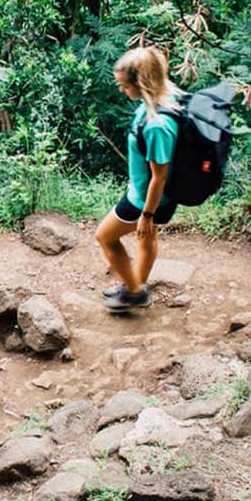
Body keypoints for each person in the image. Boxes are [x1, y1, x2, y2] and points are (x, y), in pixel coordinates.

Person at [96, 46, 185, 311]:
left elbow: (159, 176)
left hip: (144, 198)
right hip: (157, 196)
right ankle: (137, 288)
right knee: (147, 239)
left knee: (105, 237)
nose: (121, 89)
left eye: (124, 85)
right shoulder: (168, 98)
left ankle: (133, 290)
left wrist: (146, 214)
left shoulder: (157, 124)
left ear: (142, 82)